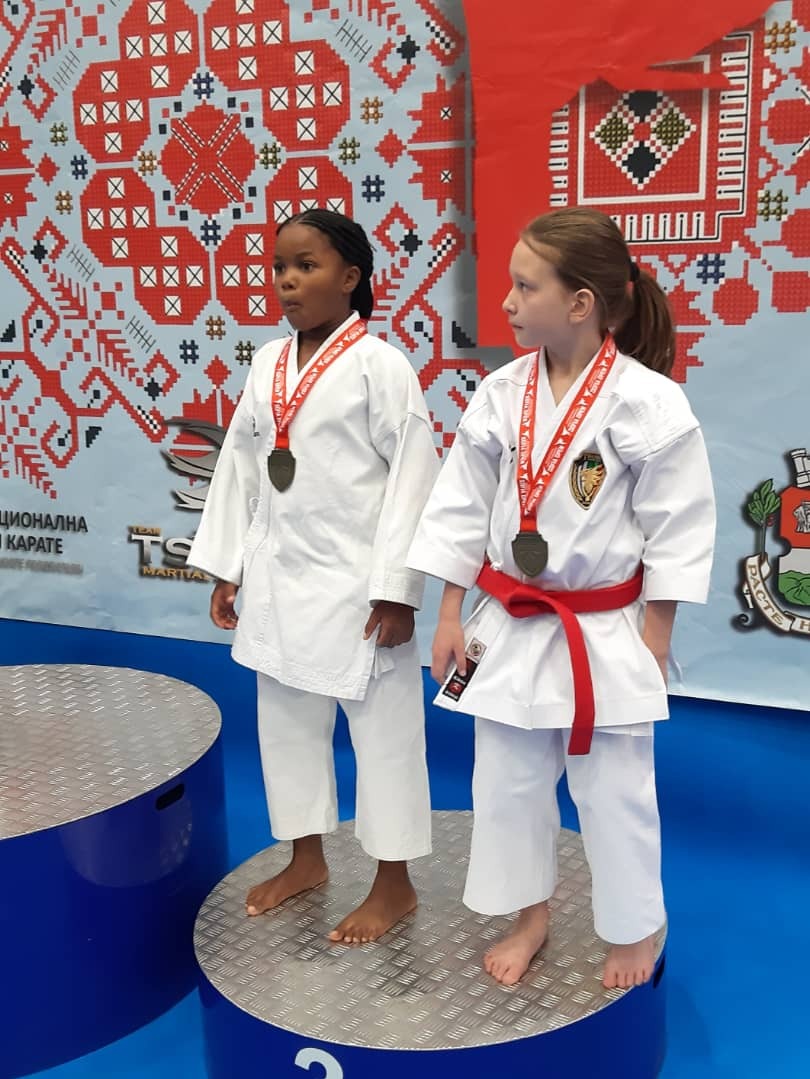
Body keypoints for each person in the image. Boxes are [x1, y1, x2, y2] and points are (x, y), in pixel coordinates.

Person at [407, 207, 715, 989]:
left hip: (603, 627)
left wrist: (654, 637)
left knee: (615, 789)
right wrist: (449, 612)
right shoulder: (501, 394)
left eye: (524, 286)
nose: (506, 302)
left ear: (580, 303)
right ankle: (530, 914)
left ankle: (632, 929)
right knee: (505, 782)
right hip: (510, 620)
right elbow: (460, 507)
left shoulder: (649, 403)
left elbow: (678, 527)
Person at [189, 209, 437, 944]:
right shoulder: (267, 363)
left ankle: (394, 882)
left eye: (306, 266)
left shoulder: (381, 366)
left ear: (350, 277)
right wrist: (229, 566)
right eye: (279, 267)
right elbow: (241, 464)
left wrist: (398, 590)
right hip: (280, 576)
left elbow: (414, 479)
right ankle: (306, 858)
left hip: (361, 588)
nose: (287, 282)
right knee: (287, 726)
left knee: (385, 738)